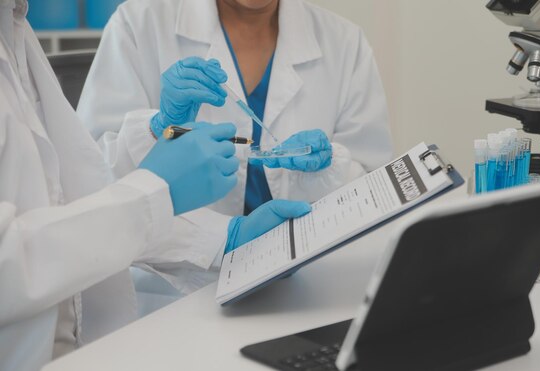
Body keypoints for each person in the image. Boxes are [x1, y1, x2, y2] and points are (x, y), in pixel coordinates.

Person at [0, 1, 310, 370]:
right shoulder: (136, 20)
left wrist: (223, 238)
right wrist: (153, 190)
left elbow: (72, 196)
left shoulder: (15, 24)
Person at [77, 0, 393, 218]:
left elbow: (373, 190)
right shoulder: (138, 24)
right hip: (176, 289)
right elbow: (88, 182)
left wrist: (330, 170)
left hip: (305, 281)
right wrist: (156, 131)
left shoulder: (344, 43)